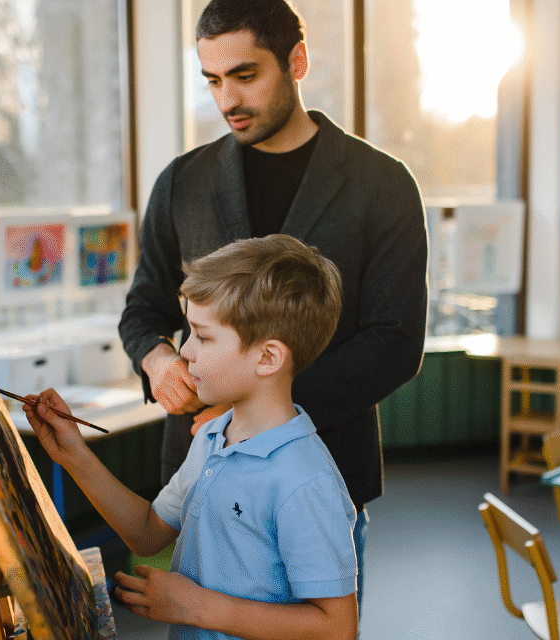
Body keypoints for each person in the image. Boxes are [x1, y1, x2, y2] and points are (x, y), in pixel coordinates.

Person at [118, 0, 429, 608]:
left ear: (298, 61)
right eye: (212, 80)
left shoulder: (383, 184)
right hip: (199, 475)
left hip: (323, 470)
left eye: (245, 75)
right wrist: (158, 363)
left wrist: (254, 412)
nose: (226, 100)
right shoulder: (182, 182)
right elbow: (143, 310)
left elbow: (395, 345)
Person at [26, 235, 357, 640]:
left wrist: (198, 607)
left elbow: (337, 626)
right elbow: (147, 532)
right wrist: (74, 454)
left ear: (268, 357)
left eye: (203, 336)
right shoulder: (212, 438)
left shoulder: (303, 480)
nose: (185, 351)